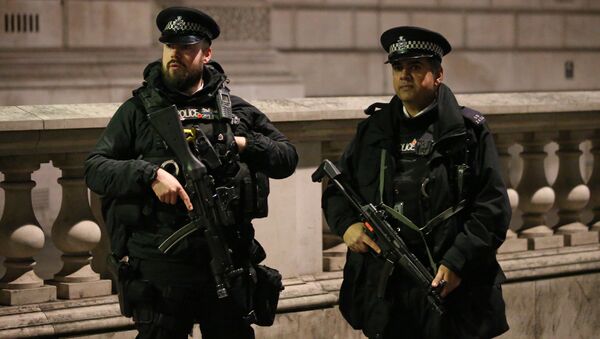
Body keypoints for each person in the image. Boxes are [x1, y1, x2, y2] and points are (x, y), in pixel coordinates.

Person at [84, 6, 297, 339]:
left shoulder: (234, 111)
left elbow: (287, 158)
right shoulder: (139, 111)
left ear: (206, 53)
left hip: (227, 260)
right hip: (161, 266)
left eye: (185, 47)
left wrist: (242, 143)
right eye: (169, 46)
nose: (175, 54)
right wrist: (150, 174)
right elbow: (95, 168)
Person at [322, 26, 510, 339]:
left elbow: (492, 208)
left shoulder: (466, 133)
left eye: (415, 67)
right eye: (398, 68)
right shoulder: (373, 131)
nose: (404, 75)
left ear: (438, 74)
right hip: (388, 292)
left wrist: (457, 263)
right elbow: (338, 191)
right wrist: (347, 227)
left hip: (448, 288)